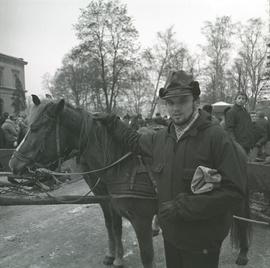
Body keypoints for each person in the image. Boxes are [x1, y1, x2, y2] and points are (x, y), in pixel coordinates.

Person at [95, 70, 246, 268]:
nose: (176, 108)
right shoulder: (161, 138)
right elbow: (133, 140)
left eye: (182, 101)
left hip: (202, 241)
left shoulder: (216, 138)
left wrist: (183, 207)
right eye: (170, 102)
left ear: (195, 101)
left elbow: (234, 191)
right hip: (172, 237)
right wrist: (111, 121)